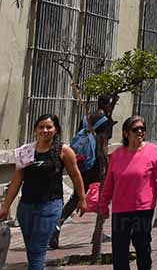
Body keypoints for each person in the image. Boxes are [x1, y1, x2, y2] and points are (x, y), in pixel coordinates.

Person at [0, 114, 85, 270]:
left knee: (38, 249)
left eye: (49, 127)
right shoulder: (26, 151)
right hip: (26, 208)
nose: (45, 130)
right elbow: (16, 181)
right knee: (31, 251)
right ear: (35, 130)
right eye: (41, 127)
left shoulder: (64, 150)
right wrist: (6, 206)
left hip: (49, 206)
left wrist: (82, 198)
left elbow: (75, 175)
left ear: (56, 129)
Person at [97, 116, 157, 270]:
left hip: (143, 208)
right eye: (135, 129)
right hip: (120, 209)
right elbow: (109, 182)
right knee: (119, 249)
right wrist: (103, 204)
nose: (140, 132)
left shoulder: (153, 151)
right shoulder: (117, 155)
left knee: (142, 246)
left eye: (143, 128)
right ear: (126, 133)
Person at [51, 95, 116, 249]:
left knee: (77, 196)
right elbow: (103, 145)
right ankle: (98, 233)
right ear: (107, 105)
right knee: (104, 196)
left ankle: (57, 225)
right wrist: (106, 165)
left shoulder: (86, 118)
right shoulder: (106, 121)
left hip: (82, 162)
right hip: (96, 165)